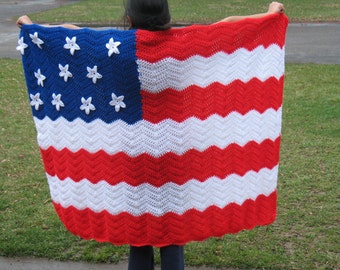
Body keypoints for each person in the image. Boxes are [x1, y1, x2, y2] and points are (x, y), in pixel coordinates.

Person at [16, 1, 284, 269]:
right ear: (167, 17)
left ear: (130, 20)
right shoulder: (185, 44)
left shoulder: (116, 47)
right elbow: (229, 24)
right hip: (177, 153)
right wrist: (270, 14)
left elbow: (73, 32)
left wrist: (31, 26)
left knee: (138, 233)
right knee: (173, 234)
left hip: (133, 156)